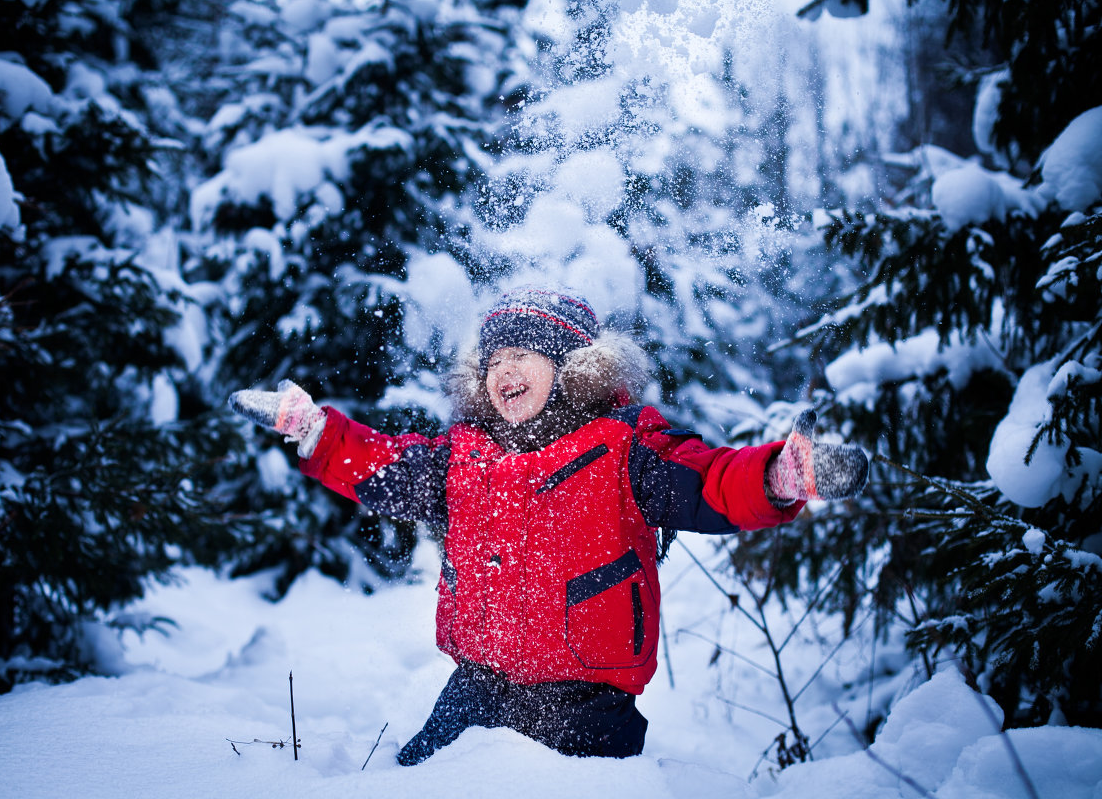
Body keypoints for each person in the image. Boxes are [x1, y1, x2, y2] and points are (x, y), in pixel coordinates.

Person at [229, 286, 868, 765]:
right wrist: (313, 429)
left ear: (570, 365)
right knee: (415, 781)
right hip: (478, 687)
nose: (504, 370)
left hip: (586, 700)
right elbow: (385, 466)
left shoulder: (622, 450)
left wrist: (779, 478)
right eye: (494, 359)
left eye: (524, 354)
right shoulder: (465, 455)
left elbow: (710, 483)